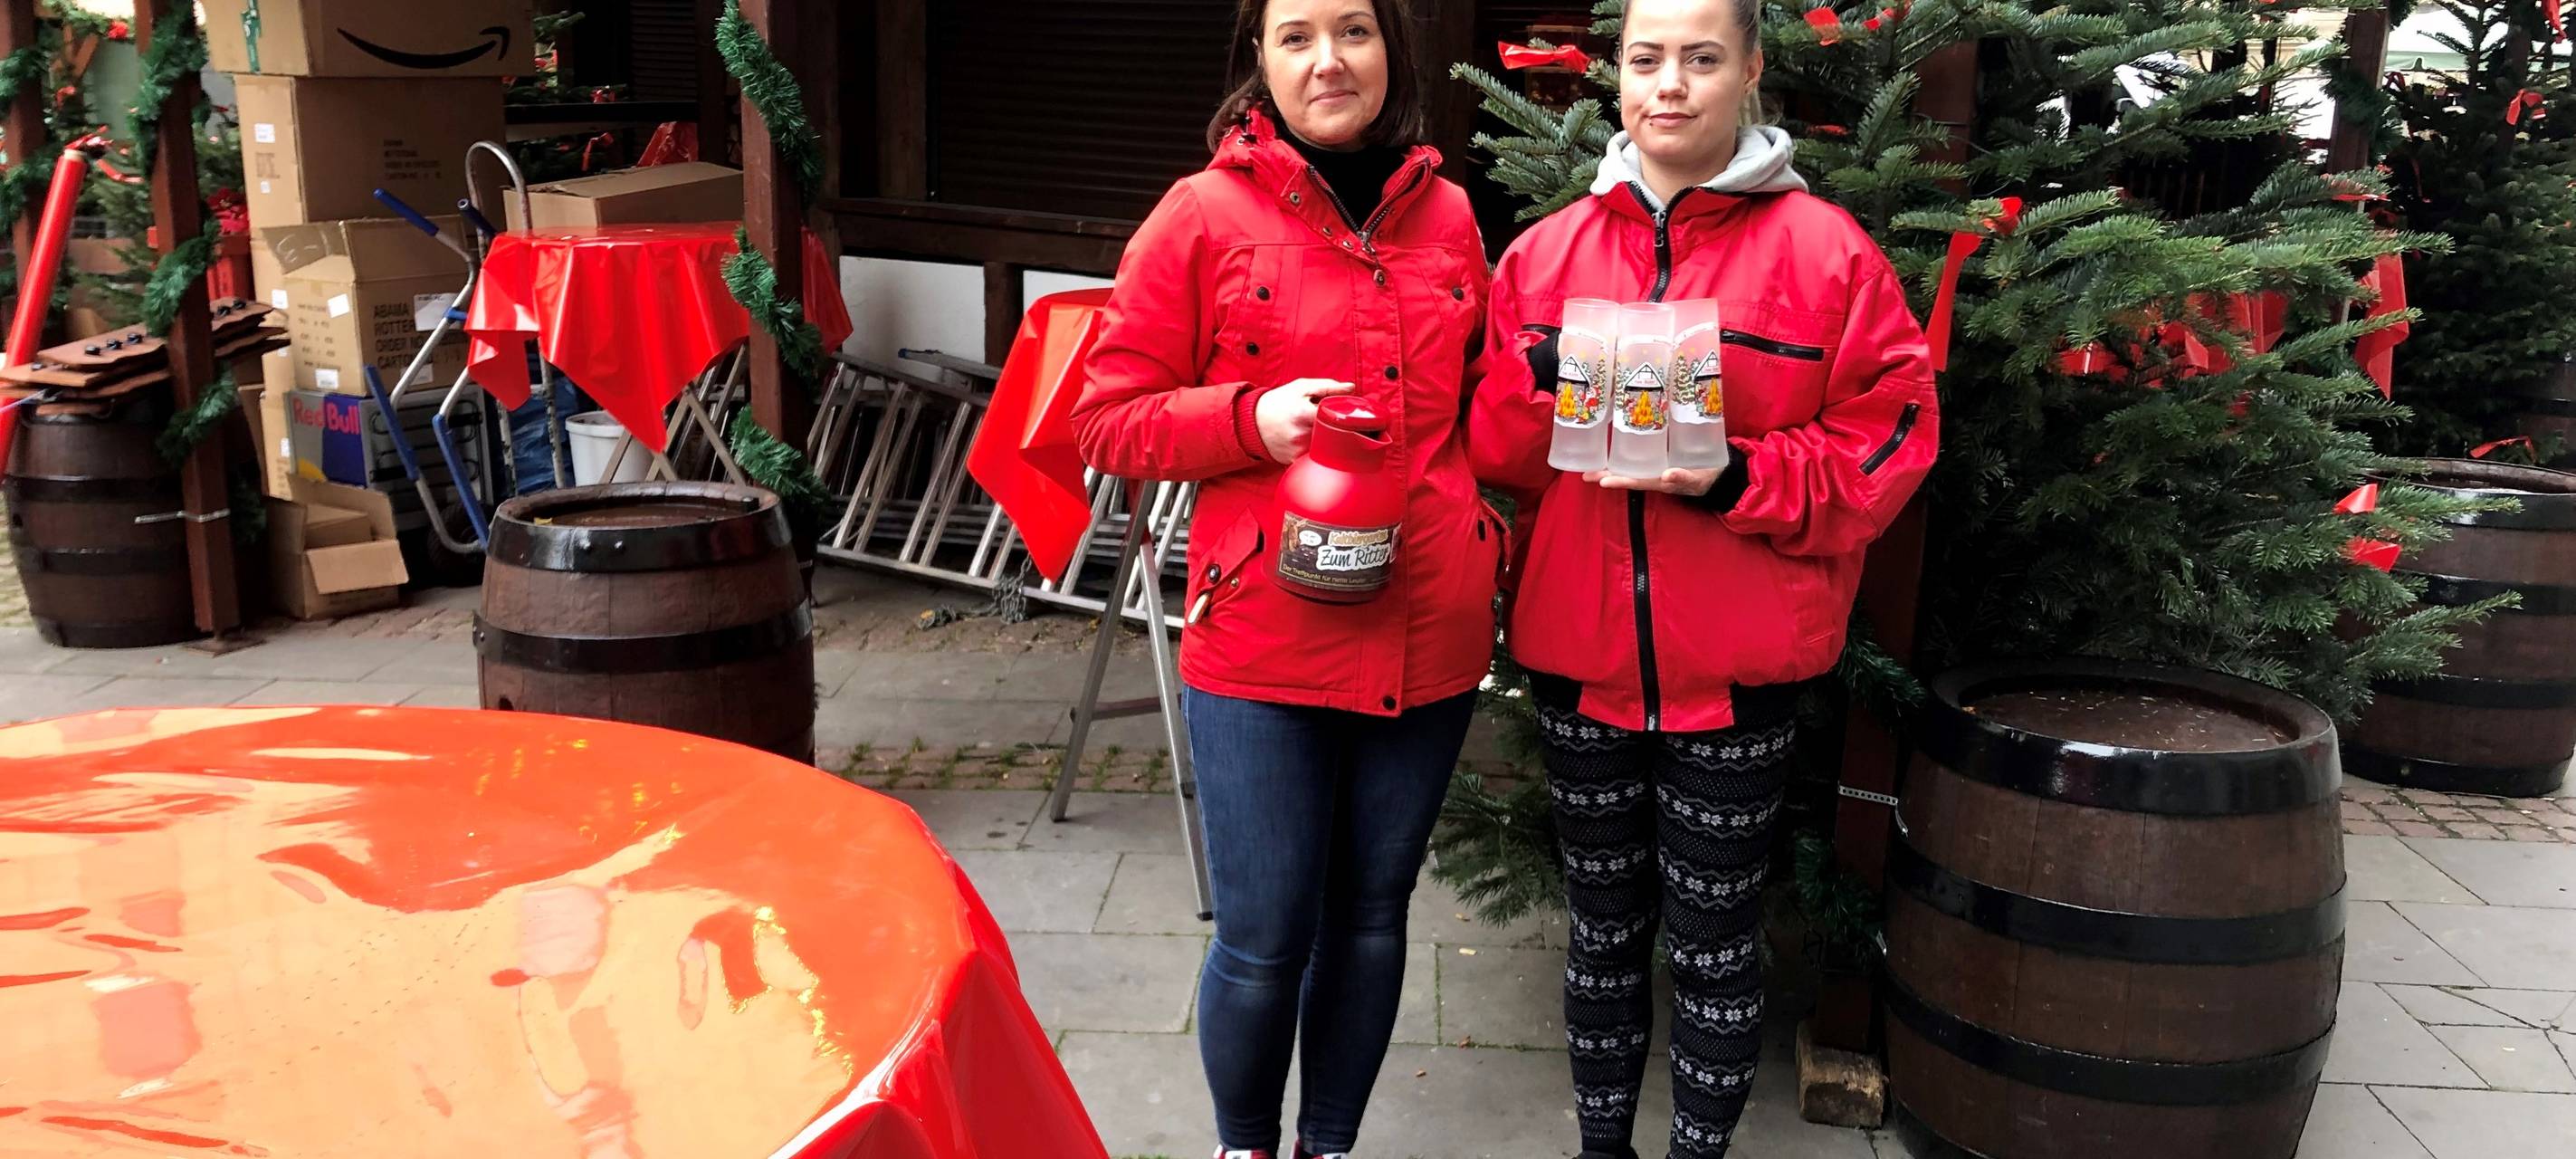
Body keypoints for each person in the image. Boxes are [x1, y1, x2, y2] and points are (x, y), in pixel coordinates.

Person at [1468, 0, 1939, 1155]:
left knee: (1717, 936)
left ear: (1748, 73)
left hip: (1737, 669)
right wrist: (1532, 383)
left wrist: (1735, 476)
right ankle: (1598, 1147)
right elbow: (1493, 454)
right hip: (1579, 658)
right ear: (1614, 77)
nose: (1667, 85)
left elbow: (1889, 443)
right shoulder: (1543, 254)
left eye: (1699, 58)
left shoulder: (1825, 255)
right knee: (1601, 931)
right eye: (1644, 59)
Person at [1067, 2, 1499, 1156]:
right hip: (1263, 633)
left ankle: (1329, 1145)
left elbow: (1483, 416)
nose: (1328, 60)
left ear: (1389, 52)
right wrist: (1250, 419)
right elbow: (1103, 419)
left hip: (1428, 621)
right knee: (1262, 934)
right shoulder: (1200, 215)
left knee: (1369, 916)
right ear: (1255, 58)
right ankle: (1244, 1144)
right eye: (1296, 34)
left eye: (1352, 30)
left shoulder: (1450, 213)